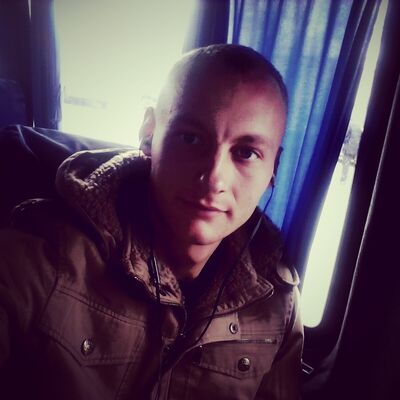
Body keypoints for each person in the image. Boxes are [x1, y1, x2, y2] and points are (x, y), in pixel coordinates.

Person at [0, 44, 303, 399]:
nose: (213, 178)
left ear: (273, 169)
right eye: (191, 138)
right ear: (149, 131)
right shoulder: (44, 255)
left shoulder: (278, 301)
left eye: (246, 152)